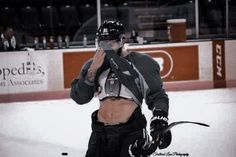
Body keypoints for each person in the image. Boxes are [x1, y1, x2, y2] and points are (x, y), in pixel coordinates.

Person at [70, 20, 171, 157]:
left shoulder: (141, 62)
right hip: (100, 134)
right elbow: (80, 97)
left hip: (130, 133)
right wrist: (92, 70)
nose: (105, 47)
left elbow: (157, 95)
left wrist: (160, 117)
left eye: (109, 42)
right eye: (101, 42)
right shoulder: (92, 65)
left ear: (121, 41)